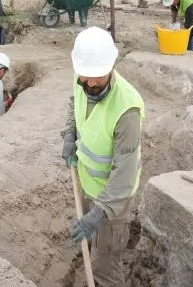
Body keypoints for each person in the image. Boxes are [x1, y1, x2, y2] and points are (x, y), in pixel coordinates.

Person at [61, 27, 144, 286]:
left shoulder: (126, 109)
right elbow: (74, 104)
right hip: (89, 186)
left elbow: (126, 171)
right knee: (92, 246)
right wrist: (69, 135)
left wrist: (100, 212)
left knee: (105, 267)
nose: (91, 83)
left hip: (113, 201)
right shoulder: (81, 79)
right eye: (87, 78)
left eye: (98, 77)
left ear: (111, 67)